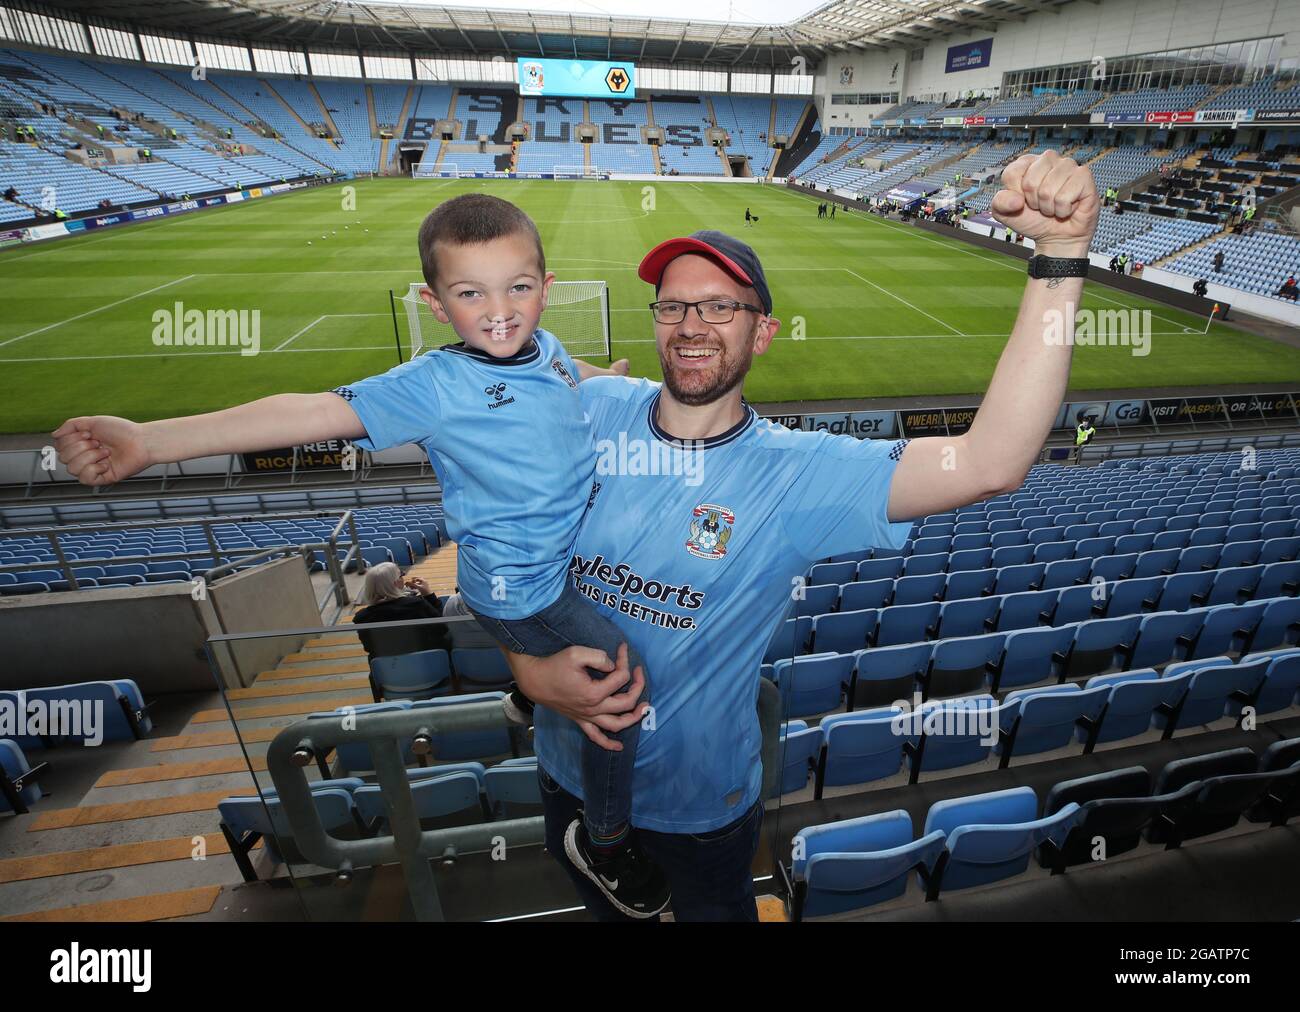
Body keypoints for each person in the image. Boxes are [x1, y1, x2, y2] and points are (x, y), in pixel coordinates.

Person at [500, 149, 1100, 921]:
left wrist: (1059, 256)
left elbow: (991, 461)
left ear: (765, 332)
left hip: (700, 811)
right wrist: (526, 671)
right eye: (674, 306)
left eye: (721, 307)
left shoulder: (799, 472)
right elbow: (503, 540)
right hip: (566, 776)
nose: (691, 326)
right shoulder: (596, 407)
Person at [51, 193, 667, 920]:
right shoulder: (435, 386)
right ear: (436, 305)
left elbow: (573, 372)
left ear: (545, 285)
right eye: (470, 293)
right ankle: (602, 840)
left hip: (536, 574)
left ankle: (525, 696)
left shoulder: (549, 348)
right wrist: (153, 442)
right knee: (624, 686)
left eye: (518, 288)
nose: (500, 311)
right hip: (522, 592)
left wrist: (616, 379)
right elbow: (303, 410)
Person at [351, 562, 451, 668]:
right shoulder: (416, 605)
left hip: (390, 677)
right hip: (431, 671)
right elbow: (443, 628)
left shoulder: (362, 618)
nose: (403, 578)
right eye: (401, 575)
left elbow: (370, 648)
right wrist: (428, 595)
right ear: (395, 583)